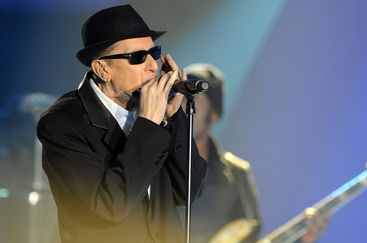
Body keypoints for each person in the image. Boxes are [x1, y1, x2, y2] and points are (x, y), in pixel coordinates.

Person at [36, 5, 207, 243]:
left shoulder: (156, 113)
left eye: (154, 53)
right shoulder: (62, 123)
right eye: (137, 57)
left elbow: (189, 191)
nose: (152, 65)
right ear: (102, 69)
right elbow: (107, 207)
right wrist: (149, 124)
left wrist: (171, 118)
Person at [181, 63, 330, 243]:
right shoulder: (155, 161)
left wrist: (302, 240)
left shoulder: (237, 173)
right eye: (179, 96)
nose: (181, 105)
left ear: (214, 114)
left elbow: (251, 237)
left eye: (192, 100)